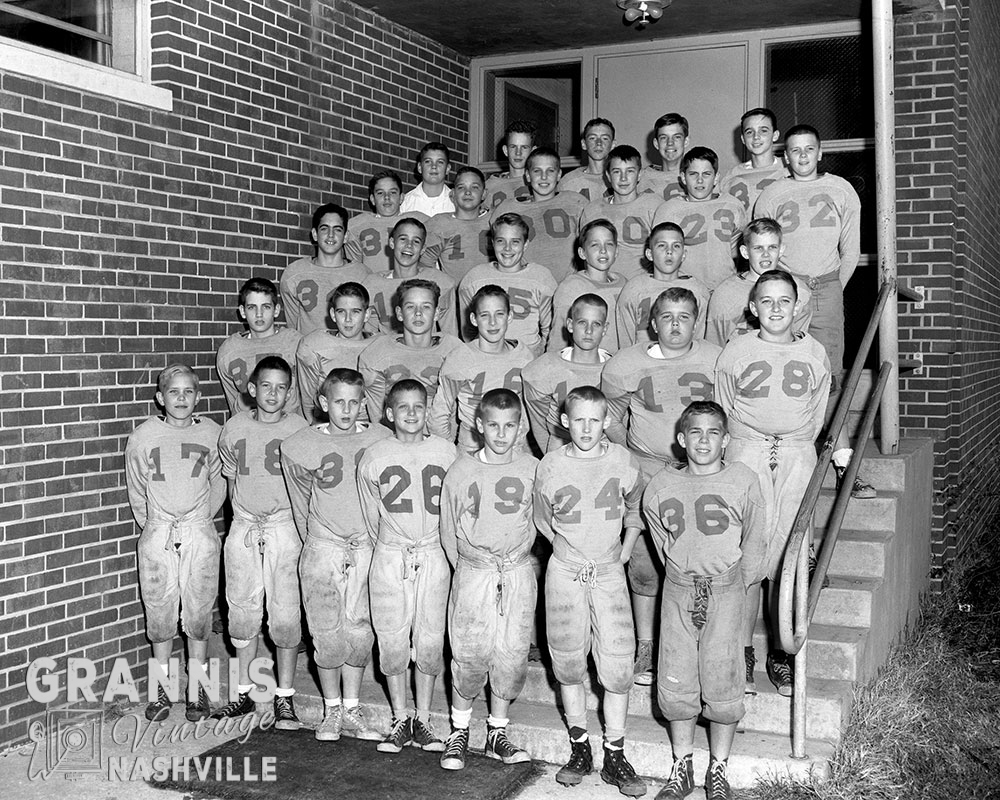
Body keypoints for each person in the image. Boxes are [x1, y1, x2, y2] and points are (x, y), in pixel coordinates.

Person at [643, 401, 768, 800]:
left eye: (713, 432)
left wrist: (733, 583)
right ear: (681, 439)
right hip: (679, 588)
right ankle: (682, 765)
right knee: (676, 676)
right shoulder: (661, 485)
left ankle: (719, 766)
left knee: (723, 676)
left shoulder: (744, 480)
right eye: (695, 432)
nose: (703, 440)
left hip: (726, 589)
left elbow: (755, 539)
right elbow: (661, 541)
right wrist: (682, 574)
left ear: (726, 440)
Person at [715, 269, 829, 699]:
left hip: (797, 453)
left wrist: (796, 443)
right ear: (752, 306)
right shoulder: (736, 350)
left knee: (791, 556)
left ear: (797, 304)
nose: (776, 308)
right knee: (748, 558)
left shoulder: (815, 351)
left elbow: (817, 412)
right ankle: (742, 652)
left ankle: (781, 655)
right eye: (767, 300)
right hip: (748, 451)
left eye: (785, 300)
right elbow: (725, 403)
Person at [602, 287, 722, 686]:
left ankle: (701, 642)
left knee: (700, 558)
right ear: (652, 322)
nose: (675, 324)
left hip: (698, 472)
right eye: (667, 316)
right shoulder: (626, 364)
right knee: (644, 562)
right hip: (649, 469)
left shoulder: (715, 359)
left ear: (696, 321)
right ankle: (646, 645)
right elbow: (612, 417)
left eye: (684, 316)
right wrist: (631, 456)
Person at [533, 385, 646, 797]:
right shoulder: (550, 464)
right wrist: (568, 551)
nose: (585, 427)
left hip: (608, 569)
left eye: (594, 420)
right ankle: (580, 747)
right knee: (567, 659)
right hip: (565, 570)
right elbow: (542, 518)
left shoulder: (622, 460)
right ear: (565, 421)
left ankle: (615, 752)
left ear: (607, 422)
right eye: (577, 419)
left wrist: (624, 552)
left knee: (617, 663)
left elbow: (636, 507)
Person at [753, 124, 872, 497]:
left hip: (827, 285)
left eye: (809, 149)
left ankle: (844, 467)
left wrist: (832, 287)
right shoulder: (772, 194)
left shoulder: (841, 189)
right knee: (783, 373)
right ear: (784, 156)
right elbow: (766, 248)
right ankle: (780, 468)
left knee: (830, 379)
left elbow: (849, 250)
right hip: (786, 290)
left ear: (820, 152)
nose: (802, 156)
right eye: (794, 150)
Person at [282, 367, 391, 743]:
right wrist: (316, 540)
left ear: (364, 403)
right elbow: (299, 503)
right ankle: (330, 711)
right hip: (324, 545)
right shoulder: (301, 444)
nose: (346, 410)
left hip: (365, 545)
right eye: (338, 402)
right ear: (323, 403)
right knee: (326, 632)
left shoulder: (380, 439)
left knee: (359, 630)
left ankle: (352, 707)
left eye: (353, 402)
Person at [438, 388, 538, 770]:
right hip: (475, 570)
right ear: (479, 426)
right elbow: (449, 531)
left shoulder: (531, 468)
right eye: (493, 426)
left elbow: (539, 519)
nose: (500, 434)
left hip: (515, 570)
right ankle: (459, 730)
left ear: (519, 427)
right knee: (469, 652)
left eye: (509, 426)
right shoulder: (462, 469)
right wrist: (470, 568)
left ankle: (497, 731)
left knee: (511, 653)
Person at [357, 378, 458, 754]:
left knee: (430, 638)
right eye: (403, 407)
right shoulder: (374, 454)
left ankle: (425, 719)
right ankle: (400, 717)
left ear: (428, 410)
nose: (412, 413)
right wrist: (391, 545)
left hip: (432, 551)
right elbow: (371, 515)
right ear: (388, 413)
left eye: (419, 406)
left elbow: (453, 509)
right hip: (392, 552)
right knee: (393, 637)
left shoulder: (446, 451)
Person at [124, 364, 225, 723]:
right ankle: (160, 691)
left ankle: (197, 691)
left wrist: (200, 520)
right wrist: (155, 525)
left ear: (198, 397)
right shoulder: (143, 436)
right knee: (160, 614)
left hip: (198, 530)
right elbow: (137, 488)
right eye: (173, 392)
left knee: (198, 615)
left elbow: (220, 481)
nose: (180, 399)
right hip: (158, 532)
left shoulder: (213, 433)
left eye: (188, 392)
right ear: (160, 397)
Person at [214, 356, 307, 728]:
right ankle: (245, 694)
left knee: (285, 617)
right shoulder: (234, 428)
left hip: (284, 526)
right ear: (252, 389)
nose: (273, 393)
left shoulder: (300, 429)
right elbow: (232, 484)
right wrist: (241, 521)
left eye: (281, 387)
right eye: (266, 386)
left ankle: (284, 698)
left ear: (289, 392)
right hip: (246, 526)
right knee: (242, 613)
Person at [429, 285, 533, 454]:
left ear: (510, 316)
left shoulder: (524, 356)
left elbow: (529, 409)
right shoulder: (459, 358)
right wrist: (447, 451)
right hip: (473, 448)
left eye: (499, 314)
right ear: (474, 319)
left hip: (516, 447)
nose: (492, 322)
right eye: (485, 315)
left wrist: (524, 444)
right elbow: (440, 411)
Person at [358, 278, 463, 426]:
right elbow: (378, 417)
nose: (418, 313)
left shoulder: (455, 350)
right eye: (410, 307)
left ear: (437, 313)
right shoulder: (377, 353)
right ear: (399, 313)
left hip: (441, 441)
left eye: (426, 307)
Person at [523, 294, 612, 453]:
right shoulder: (545, 368)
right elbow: (539, 421)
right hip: (560, 448)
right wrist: (553, 455)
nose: (589, 331)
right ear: (570, 325)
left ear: (605, 329)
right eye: (582, 322)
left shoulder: (615, 369)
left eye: (596, 324)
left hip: (604, 450)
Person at [458, 212, 556, 356]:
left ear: (526, 244)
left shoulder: (542, 278)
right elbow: (468, 332)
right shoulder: (474, 279)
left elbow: (550, 329)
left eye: (515, 242)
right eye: (501, 241)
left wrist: (537, 358)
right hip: (488, 359)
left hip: (528, 361)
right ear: (492, 243)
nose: (507, 248)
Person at [706, 218, 812, 347]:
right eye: (758, 248)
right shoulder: (726, 294)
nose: (766, 255)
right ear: (745, 252)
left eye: (772, 247)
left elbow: (800, 344)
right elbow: (714, 345)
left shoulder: (799, 290)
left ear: (781, 250)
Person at [653, 147, 747, 291]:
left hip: (724, 287)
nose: (700, 180)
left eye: (707, 174)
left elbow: (739, 252)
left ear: (716, 178)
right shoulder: (668, 211)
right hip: (682, 289)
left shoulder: (733, 205)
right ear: (683, 177)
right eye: (693, 174)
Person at [492, 147, 588, 282]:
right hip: (524, 284)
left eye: (550, 171)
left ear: (559, 174)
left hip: (569, 284)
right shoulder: (508, 207)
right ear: (527, 175)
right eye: (537, 171)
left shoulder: (576, 202)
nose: (544, 177)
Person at [280, 203, 372, 335]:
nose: (330, 235)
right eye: (324, 229)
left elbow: (368, 324)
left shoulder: (363, 274)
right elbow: (293, 326)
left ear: (345, 236)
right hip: (309, 352)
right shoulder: (294, 273)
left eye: (337, 229)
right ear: (315, 234)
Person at [216, 278, 302, 418]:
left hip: (290, 429)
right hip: (249, 431)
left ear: (276, 310)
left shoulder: (295, 343)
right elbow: (233, 400)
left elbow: (307, 391)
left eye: (266, 307)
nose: (259, 314)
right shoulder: (229, 350)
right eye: (252, 307)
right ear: (243, 312)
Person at [295, 281, 378, 424]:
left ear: (367, 314)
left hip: (369, 426)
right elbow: (308, 401)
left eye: (355, 312)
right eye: (341, 312)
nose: (348, 319)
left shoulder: (381, 345)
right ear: (333, 314)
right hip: (329, 424)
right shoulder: (314, 344)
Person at [616, 222, 710, 348]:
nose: (669, 252)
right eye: (662, 246)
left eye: (676, 246)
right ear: (649, 254)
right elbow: (625, 341)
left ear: (683, 254)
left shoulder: (698, 290)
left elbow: (699, 341)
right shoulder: (634, 289)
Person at [363, 217, 457, 338]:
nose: (409, 245)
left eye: (416, 241)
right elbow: (370, 334)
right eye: (403, 239)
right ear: (392, 243)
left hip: (427, 352)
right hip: (389, 352)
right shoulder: (372, 284)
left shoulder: (441, 282)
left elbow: (450, 336)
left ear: (423, 249)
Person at [579, 145, 662, 281]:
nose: (623, 178)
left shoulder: (654, 204)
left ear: (640, 174)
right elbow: (586, 255)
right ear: (608, 175)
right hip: (605, 287)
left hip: (643, 286)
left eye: (630, 171)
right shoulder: (592, 210)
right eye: (617, 172)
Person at [548, 219, 627, 353]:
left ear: (617, 251)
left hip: (619, 362)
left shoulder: (624, 283)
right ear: (582, 253)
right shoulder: (572, 287)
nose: (603, 250)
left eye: (609, 244)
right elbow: (558, 339)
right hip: (588, 363)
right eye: (595, 245)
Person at [347, 170, 429, 275]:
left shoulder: (420, 221)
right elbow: (355, 267)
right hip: (373, 286)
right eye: (380, 193)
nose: (387, 197)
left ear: (401, 198)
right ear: (372, 199)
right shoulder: (357, 225)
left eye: (393, 192)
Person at [422, 166, 492, 286]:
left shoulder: (494, 220)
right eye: (461, 187)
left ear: (484, 194)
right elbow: (424, 265)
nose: (468, 192)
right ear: (452, 194)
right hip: (454, 299)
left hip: (492, 297)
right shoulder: (439, 224)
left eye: (474, 187)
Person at [719, 107, 788, 213]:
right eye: (750, 132)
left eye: (763, 131)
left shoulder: (788, 169)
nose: (756, 137)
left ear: (775, 135)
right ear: (743, 139)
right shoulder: (733, 175)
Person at [557, 118, 616, 202]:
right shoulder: (568, 182)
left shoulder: (622, 178)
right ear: (584, 144)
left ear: (613, 144)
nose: (598, 143)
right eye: (592, 138)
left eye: (605, 138)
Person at [484, 120, 536, 210]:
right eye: (513, 147)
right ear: (505, 150)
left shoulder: (540, 183)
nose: (518, 153)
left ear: (533, 151)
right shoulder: (490, 186)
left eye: (524, 147)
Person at [639, 113, 689, 202]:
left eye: (677, 137)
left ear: (686, 142)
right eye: (663, 137)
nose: (670, 143)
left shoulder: (698, 177)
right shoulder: (641, 178)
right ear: (656, 144)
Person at [401, 142, 456, 216]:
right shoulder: (405, 204)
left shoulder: (457, 203)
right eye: (428, 161)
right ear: (420, 167)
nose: (434, 166)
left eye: (440, 162)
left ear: (448, 169)